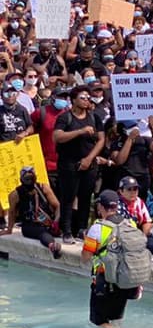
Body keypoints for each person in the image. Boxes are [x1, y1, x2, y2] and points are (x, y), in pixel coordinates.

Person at [80, 190, 142, 328]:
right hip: (125, 280)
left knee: (99, 323)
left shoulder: (97, 229)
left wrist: (87, 241)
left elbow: (85, 257)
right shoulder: (130, 224)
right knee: (116, 320)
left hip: (104, 281)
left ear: (101, 207)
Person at [53, 85, 106, 243]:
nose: (86, 101)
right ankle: (67, 230)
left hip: (89, 164)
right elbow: (57, 137)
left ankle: (82, 229)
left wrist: (89, 158)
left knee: (85, 198)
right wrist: (80, 131)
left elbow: (101, 139)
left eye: (88, 98)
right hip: (69, 164)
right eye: (82, 98)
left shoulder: (94, 117)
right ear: (74, 100)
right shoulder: (65, 118)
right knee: (68, 198)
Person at [4, 166, 61, 257]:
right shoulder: (15, 195)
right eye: (26, 179)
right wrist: (9, 229)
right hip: (29, 226)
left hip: (48, 223)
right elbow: (12, 213)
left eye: (31, 178)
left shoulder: (44, 188)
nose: (29, 181)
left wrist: (56, 222)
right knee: (41, 232)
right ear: (21, 179)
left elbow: (58, 206)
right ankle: (52, 246)